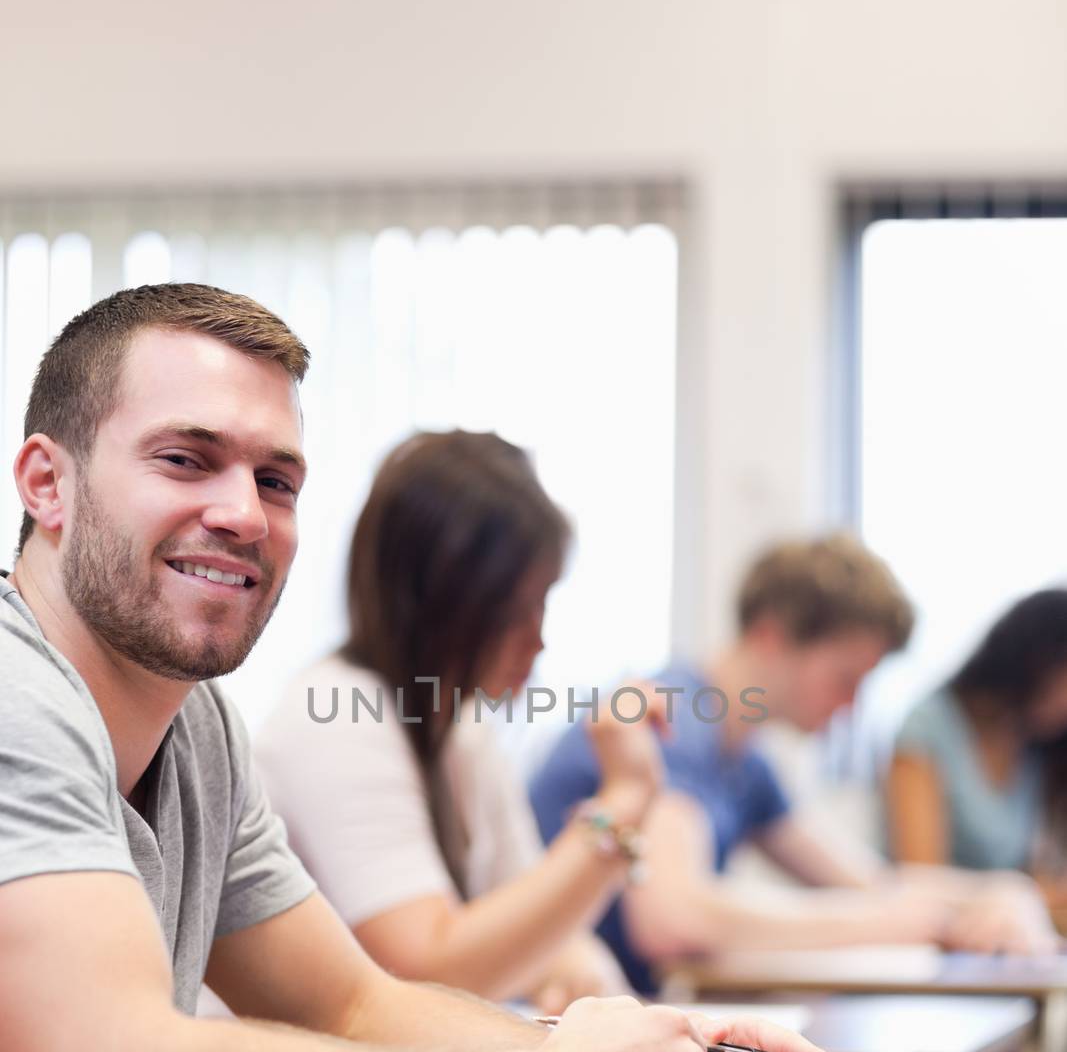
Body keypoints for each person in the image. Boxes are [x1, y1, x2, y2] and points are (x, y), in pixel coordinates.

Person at [0, 283, 846, 1052]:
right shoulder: (24, 696)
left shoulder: (203, 731)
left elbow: (355, 1003)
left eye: (275, 479)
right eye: (186, 459)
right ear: (44, 484)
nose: (243, 511)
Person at [531, 534, 1057, 995]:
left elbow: (869, 883)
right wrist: (890, 922)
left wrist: (1001, 893)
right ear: (771, 636)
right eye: (845, 679)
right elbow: (675, 919)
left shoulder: (745, 761)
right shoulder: (673, 721)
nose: (850, 706)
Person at [257, 429, 652, 1016]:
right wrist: (626, 796)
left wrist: (574, 962)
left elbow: (542, 933)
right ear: (443, 605)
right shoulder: (338, 712)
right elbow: (428, 970)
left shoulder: (459, 726)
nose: (539, 640)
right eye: (518, 611)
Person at [886, 588, 1067, 931]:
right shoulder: (928, 727)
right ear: (1034, 660)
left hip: (1005, 933)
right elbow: (920, 878)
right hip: (931, 937)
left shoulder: (1036, 747)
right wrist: (1032, 894)